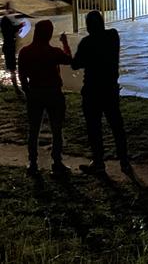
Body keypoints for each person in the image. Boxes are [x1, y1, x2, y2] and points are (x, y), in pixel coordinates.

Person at [71, 10, 131, 176]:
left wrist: (66, 47)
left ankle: (99, 163)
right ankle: (124, 162)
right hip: (110, 89)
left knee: (94, 128)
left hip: (92, 91)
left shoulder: (86, 43)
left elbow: (75, 64)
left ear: (88, 26)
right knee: (117, 126)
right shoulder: (113, 36)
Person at [17, 20, 72, 176]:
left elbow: (22, 75)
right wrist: (65, 43)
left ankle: (33, 163)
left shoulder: (25, 52)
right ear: (48, 34)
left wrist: (28, 91)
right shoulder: (53, 52)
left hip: (35, 92)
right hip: (53, 92)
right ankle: (57, 162)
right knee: (56, 129)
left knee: (33, 130)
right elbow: (69, 60)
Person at [1, 2, 24, 97]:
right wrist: (19, 27)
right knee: (12, 68)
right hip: (9, 47)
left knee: (12, 67)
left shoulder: (6, 19)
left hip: (9, 46)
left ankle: (17, 87)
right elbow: (10, 31)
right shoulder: (6, 20)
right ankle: (16, 88)